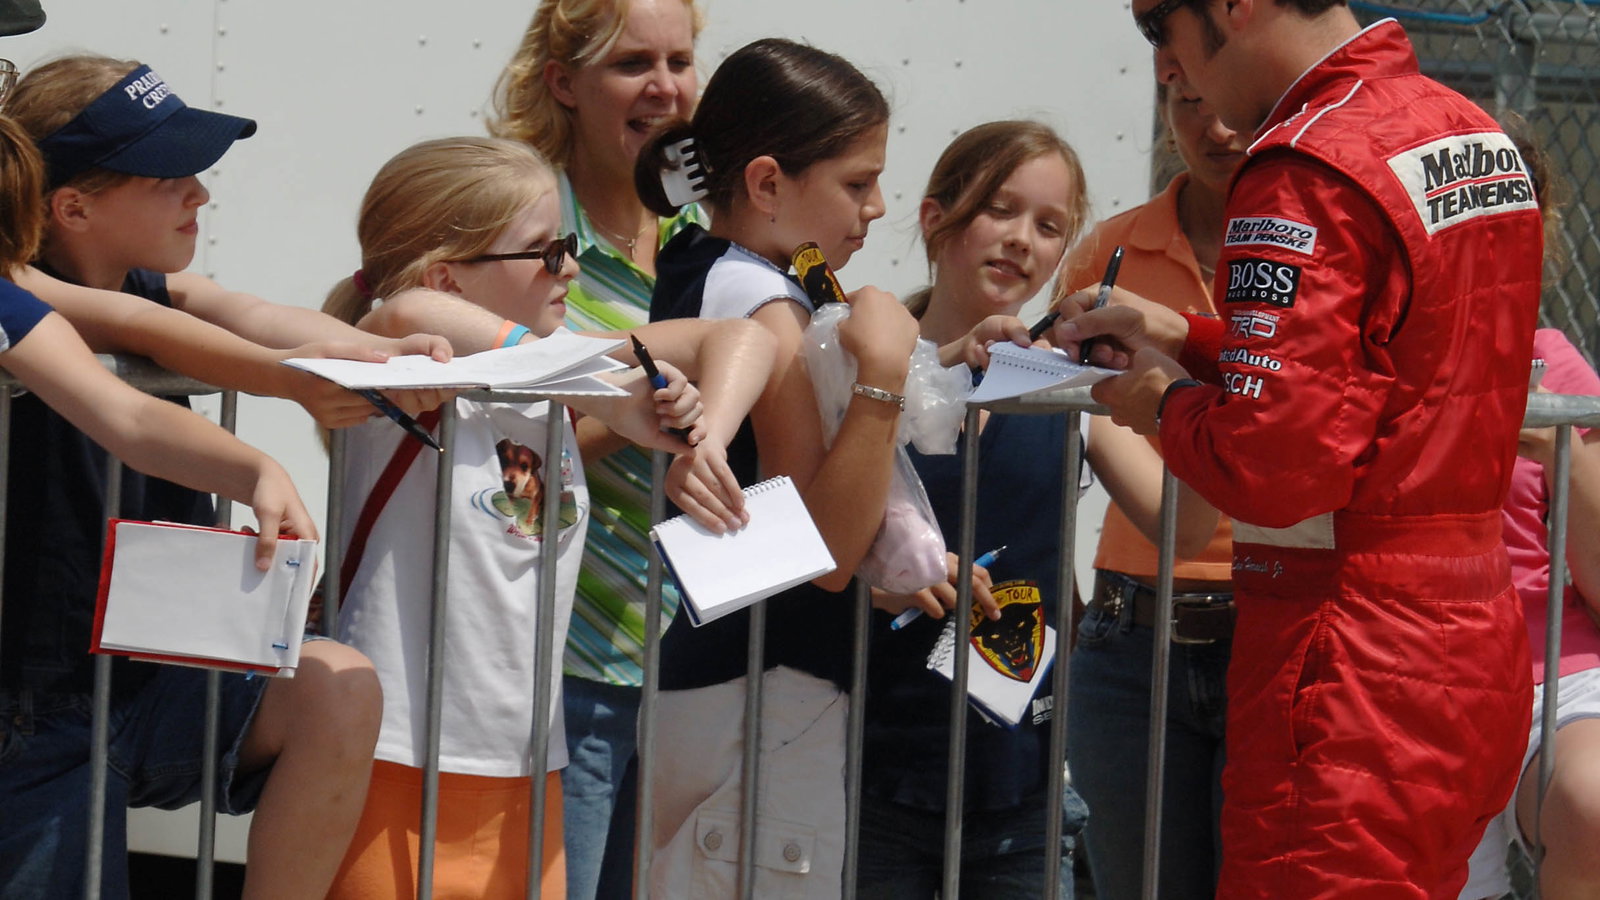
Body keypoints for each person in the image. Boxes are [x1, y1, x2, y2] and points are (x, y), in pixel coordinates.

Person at [1053, 1, 1545, 895]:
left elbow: (1275, 468)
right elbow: (1388, 367)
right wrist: (1191, 338)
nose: (1164, 64)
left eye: (1159, 24)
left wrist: (1160, 402)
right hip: (1472, 634)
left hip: (1349, 656)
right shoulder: (1468, 130)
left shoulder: (1306, 163)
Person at [316, 135, 772, 900]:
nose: (571, 269)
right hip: (397, 761)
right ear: (449, 275)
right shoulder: (403, 367)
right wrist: (603, 391)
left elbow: (741, 337)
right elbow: (405, 306)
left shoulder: (555, 371)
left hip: (525, 768)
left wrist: (707, 442)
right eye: (548, 251)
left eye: (569, 246)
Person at [0, 111, 383, 900]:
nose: (200, 195)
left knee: (338, 685)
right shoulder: (26, 289)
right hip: (32, 705)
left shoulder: (26, 297)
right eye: (167, 178)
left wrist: (363, 367)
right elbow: (135, 348)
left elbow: (135, 401)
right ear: (68, 207)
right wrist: (291, 382)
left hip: (151, 675)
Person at [637, 36, 938, 899]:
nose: (877, 206)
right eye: (856, 182)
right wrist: (883, 377)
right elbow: (822, 550)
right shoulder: (765, 305)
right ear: (767, 183)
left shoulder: (700, 264)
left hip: (722, 685)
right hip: (762, 702)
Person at [488, 4, 703, 894]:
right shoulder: (520, 233)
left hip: (696, 664)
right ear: (563, 83)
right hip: (562, 662)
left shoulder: (709, 233)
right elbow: (495, 444)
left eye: (681, 60)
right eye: (632, 64)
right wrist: (641, 401)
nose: (666, 87)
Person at [1060, 75, 1246, 900]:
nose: (1217, 126)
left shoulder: (1320, 250)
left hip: (1275, 626)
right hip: (1130, 635)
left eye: (1233, 102)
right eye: (1188, 100)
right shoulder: (1111, 250)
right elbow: (1060, 411)